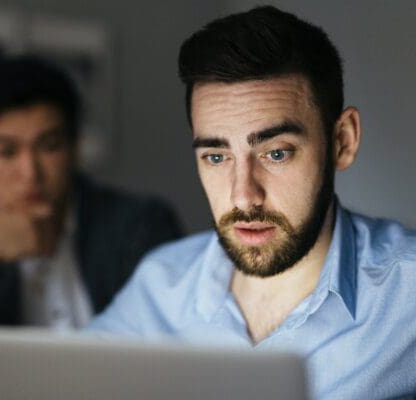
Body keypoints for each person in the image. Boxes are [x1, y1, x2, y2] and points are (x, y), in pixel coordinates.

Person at [88, 6, 416, 399]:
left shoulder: (406, 297)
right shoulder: (160, 286)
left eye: (276, 153)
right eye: (216, 156)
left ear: (342, 141)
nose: (243, 196)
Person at [0, 55, 183, 329]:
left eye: (49, 146)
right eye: (6, 152)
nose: (30, 172)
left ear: (75, 148)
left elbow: (181, 336)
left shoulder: (140, 226)